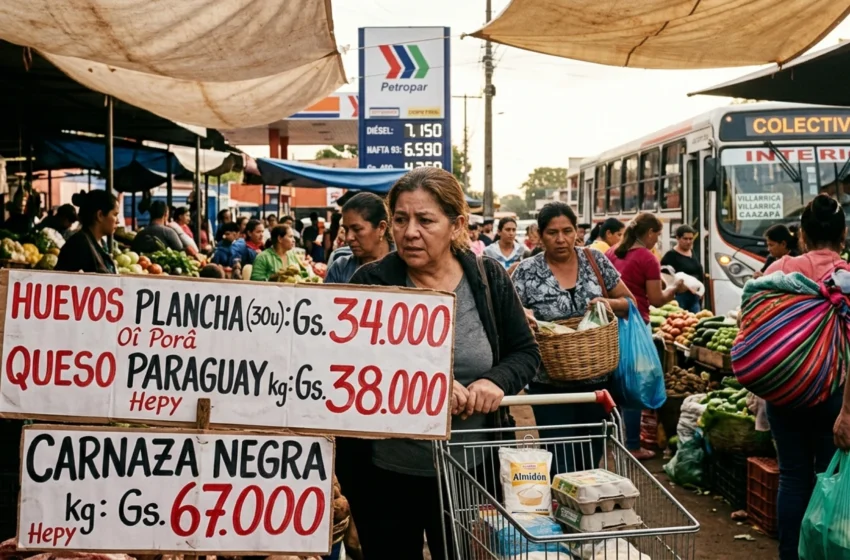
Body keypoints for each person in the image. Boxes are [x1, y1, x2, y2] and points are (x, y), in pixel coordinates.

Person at [341, 167, 540, 560]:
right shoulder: (371, 282)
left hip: (470, 473)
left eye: (425, 220)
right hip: (385, 473)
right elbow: (344, 361)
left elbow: (526, 352)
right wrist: (425, 384)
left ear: (456, 224)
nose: (410, 231)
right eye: (400, 219)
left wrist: (494, 381)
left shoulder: (488, 279)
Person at [512, 202, 634, 474]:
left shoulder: (595, 260)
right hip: (549, 385)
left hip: (597, 384)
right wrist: (524, 316)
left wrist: (607, 303)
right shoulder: (525, 271)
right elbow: (508, 317)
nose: (561, 239)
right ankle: (563, 512)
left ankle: (586, 511)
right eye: (552, 232)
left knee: (591, 460)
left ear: (576, 232)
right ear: (540, 235)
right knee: (560, 461)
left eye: (567, 231)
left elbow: (629, 303)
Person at [760, 195, 850, 560]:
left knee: (793, 477)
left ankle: (790, 555)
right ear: (843, 236)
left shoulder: (778, 269)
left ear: (802, 235)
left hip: (785, 392)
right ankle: (825, 551)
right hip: (834, 394)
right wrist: (847, 411)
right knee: (830, 476)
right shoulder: (846, 277)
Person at [606, 213, 682, 461]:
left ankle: (611, 438)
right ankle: (632, 444)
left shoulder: (613, 252)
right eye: (657, 236)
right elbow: (657, 300)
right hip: (635, 326)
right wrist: (674, 289)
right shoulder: (647, 258)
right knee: (634, 384)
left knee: (613, 381)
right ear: (649, 233)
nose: (656, 241)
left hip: (609, 323)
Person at [325, 193, 392, 284]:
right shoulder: (340, 268)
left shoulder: (406, 266)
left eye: (357, 229)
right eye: (346, 229)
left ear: (381, 228)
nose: (348, 238)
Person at [55, 190, 119, 274]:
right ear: (100, 215)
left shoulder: (101, 243)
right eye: (115, 214)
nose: (118, 221)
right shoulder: (78, 246)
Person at [661, 225, 704, 312]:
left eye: (691, 239)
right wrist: (679, 287)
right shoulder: (670, 255)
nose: (688, 242)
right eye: (685, 239)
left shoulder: (692, 252)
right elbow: (664, 278)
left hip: (695, 298)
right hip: (679, 299)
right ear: (677, 238)